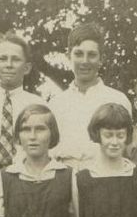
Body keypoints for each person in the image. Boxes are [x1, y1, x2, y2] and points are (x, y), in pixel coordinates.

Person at [48, 22, 132, 168]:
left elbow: (123, 148)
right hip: (63, 178)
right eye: (79, 54)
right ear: (69, 56)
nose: (85, 61)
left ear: (101, 59)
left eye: (92, 55)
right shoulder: (56, 103)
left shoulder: (118, 100)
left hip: (104, 177)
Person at [0, 32, 44, 174]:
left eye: (16, 59)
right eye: (3, 59)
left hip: (25, 175)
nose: (9, 65)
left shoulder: (38, 104)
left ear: (27, 68)